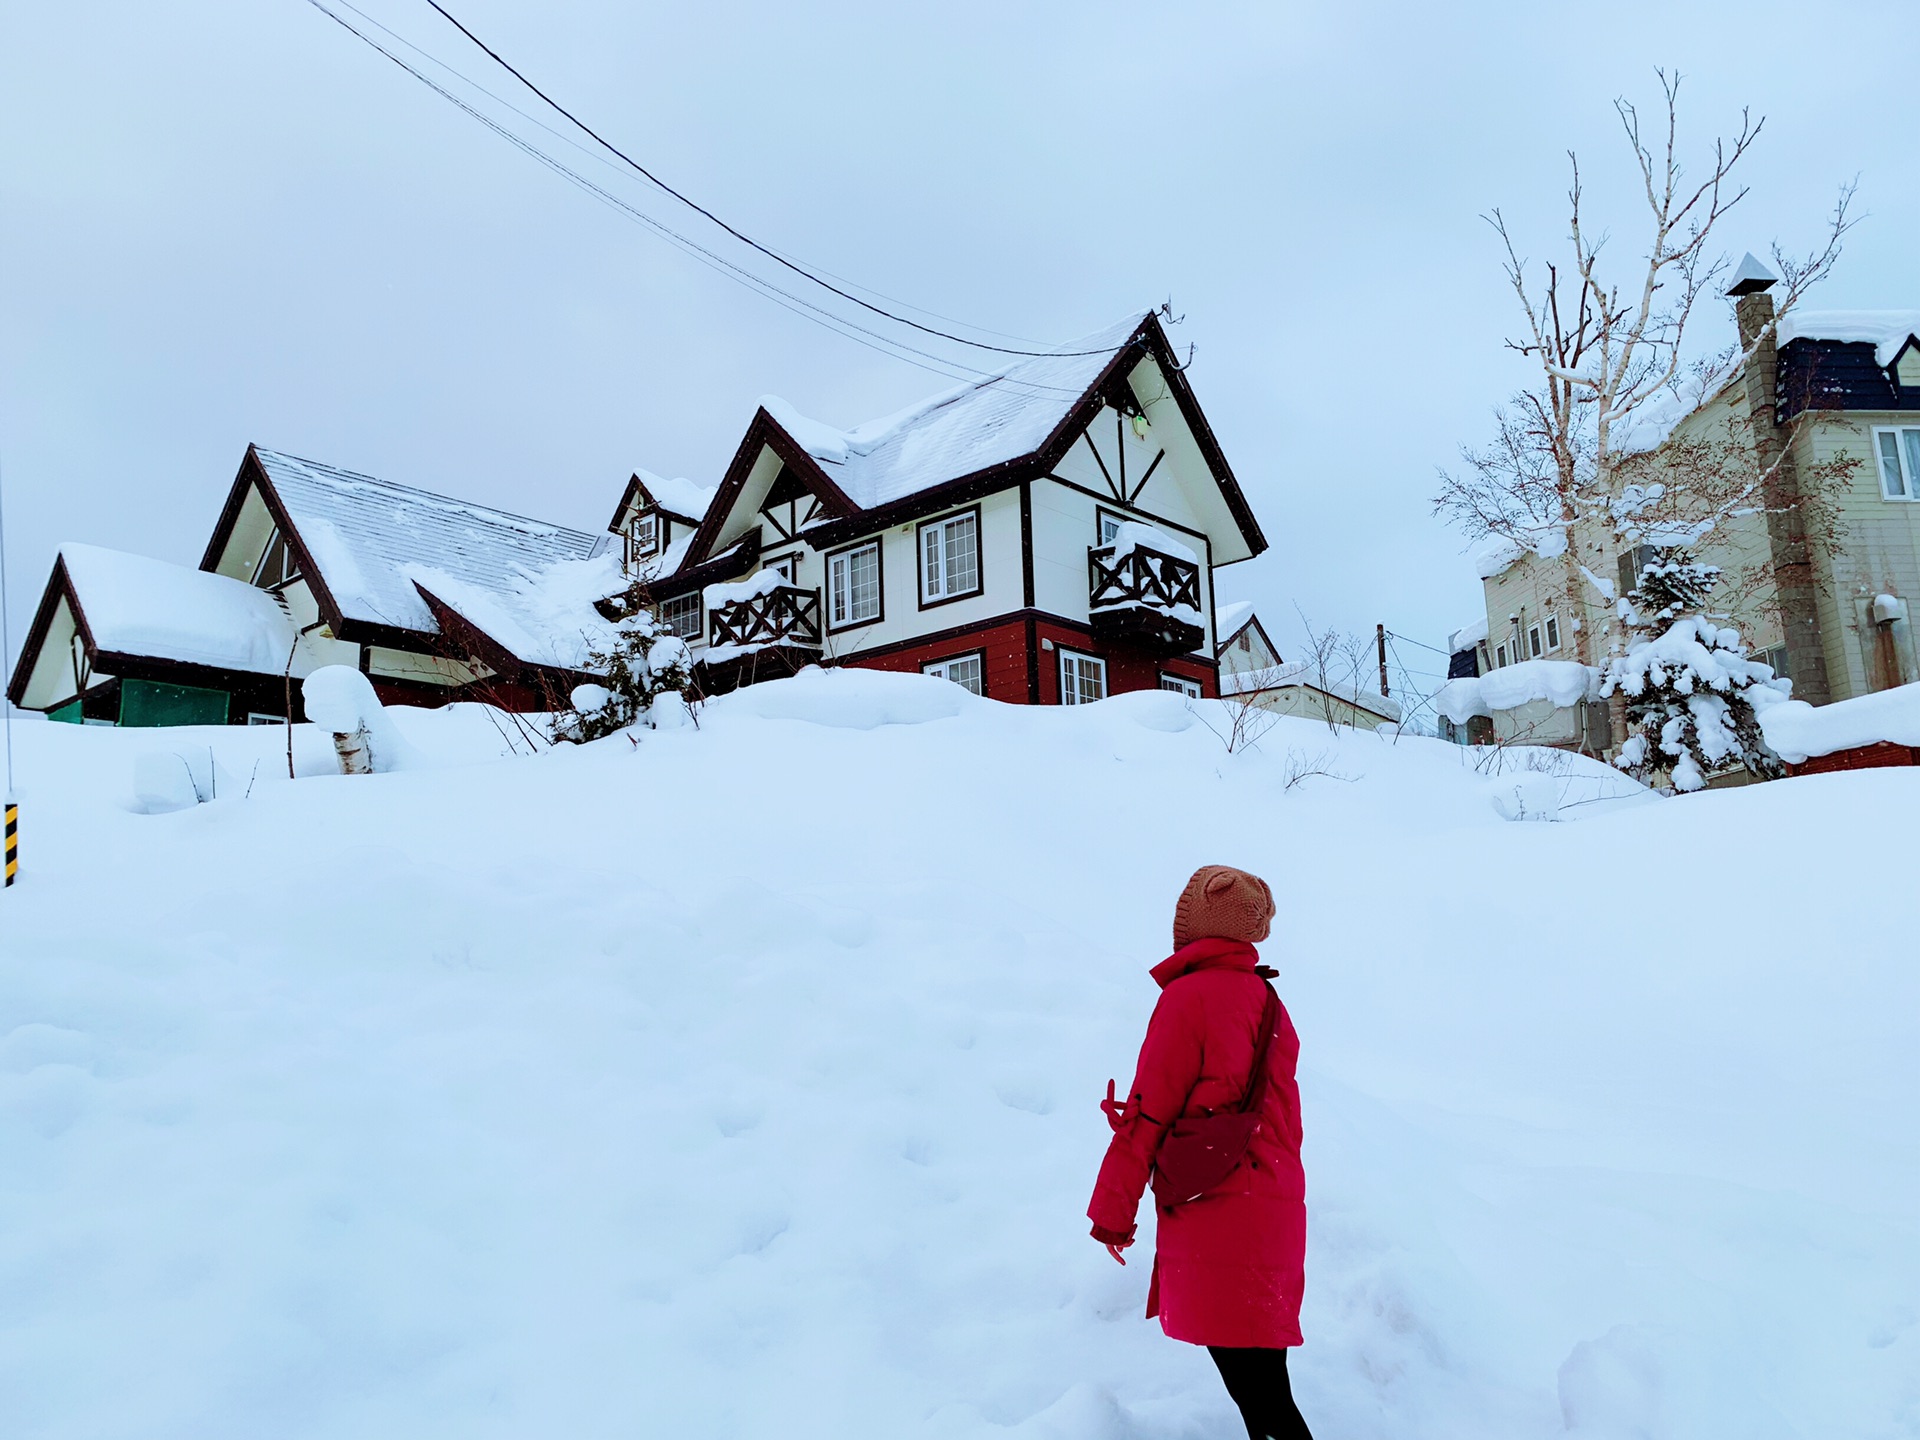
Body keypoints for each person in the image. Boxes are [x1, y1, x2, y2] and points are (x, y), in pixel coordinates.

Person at [1087, 865, 1314, 1440]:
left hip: (1220, 1208)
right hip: (1274, 1204)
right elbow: (1286, 1122)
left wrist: (1112, 1213)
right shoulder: (1268, 1002)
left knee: (1261, 1397)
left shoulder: (1189, 999)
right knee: (1264, 1387)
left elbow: (1148, 1114)